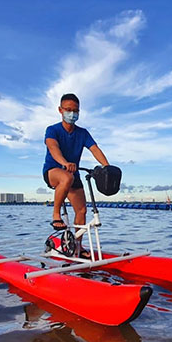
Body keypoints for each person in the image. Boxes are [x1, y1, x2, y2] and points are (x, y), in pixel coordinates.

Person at [42, 93, 110, 256]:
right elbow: (53, 148)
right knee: (66, 177)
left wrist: (107, 167)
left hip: (73, 175)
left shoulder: (82, 133)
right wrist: (65, 163)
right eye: (68, 110)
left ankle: (77, 247)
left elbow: (94, 149)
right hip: (53, 171)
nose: (72, 114)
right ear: (60, 110)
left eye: (75, 111)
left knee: (82, 211)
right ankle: (56, 215)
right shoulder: (52, 130)